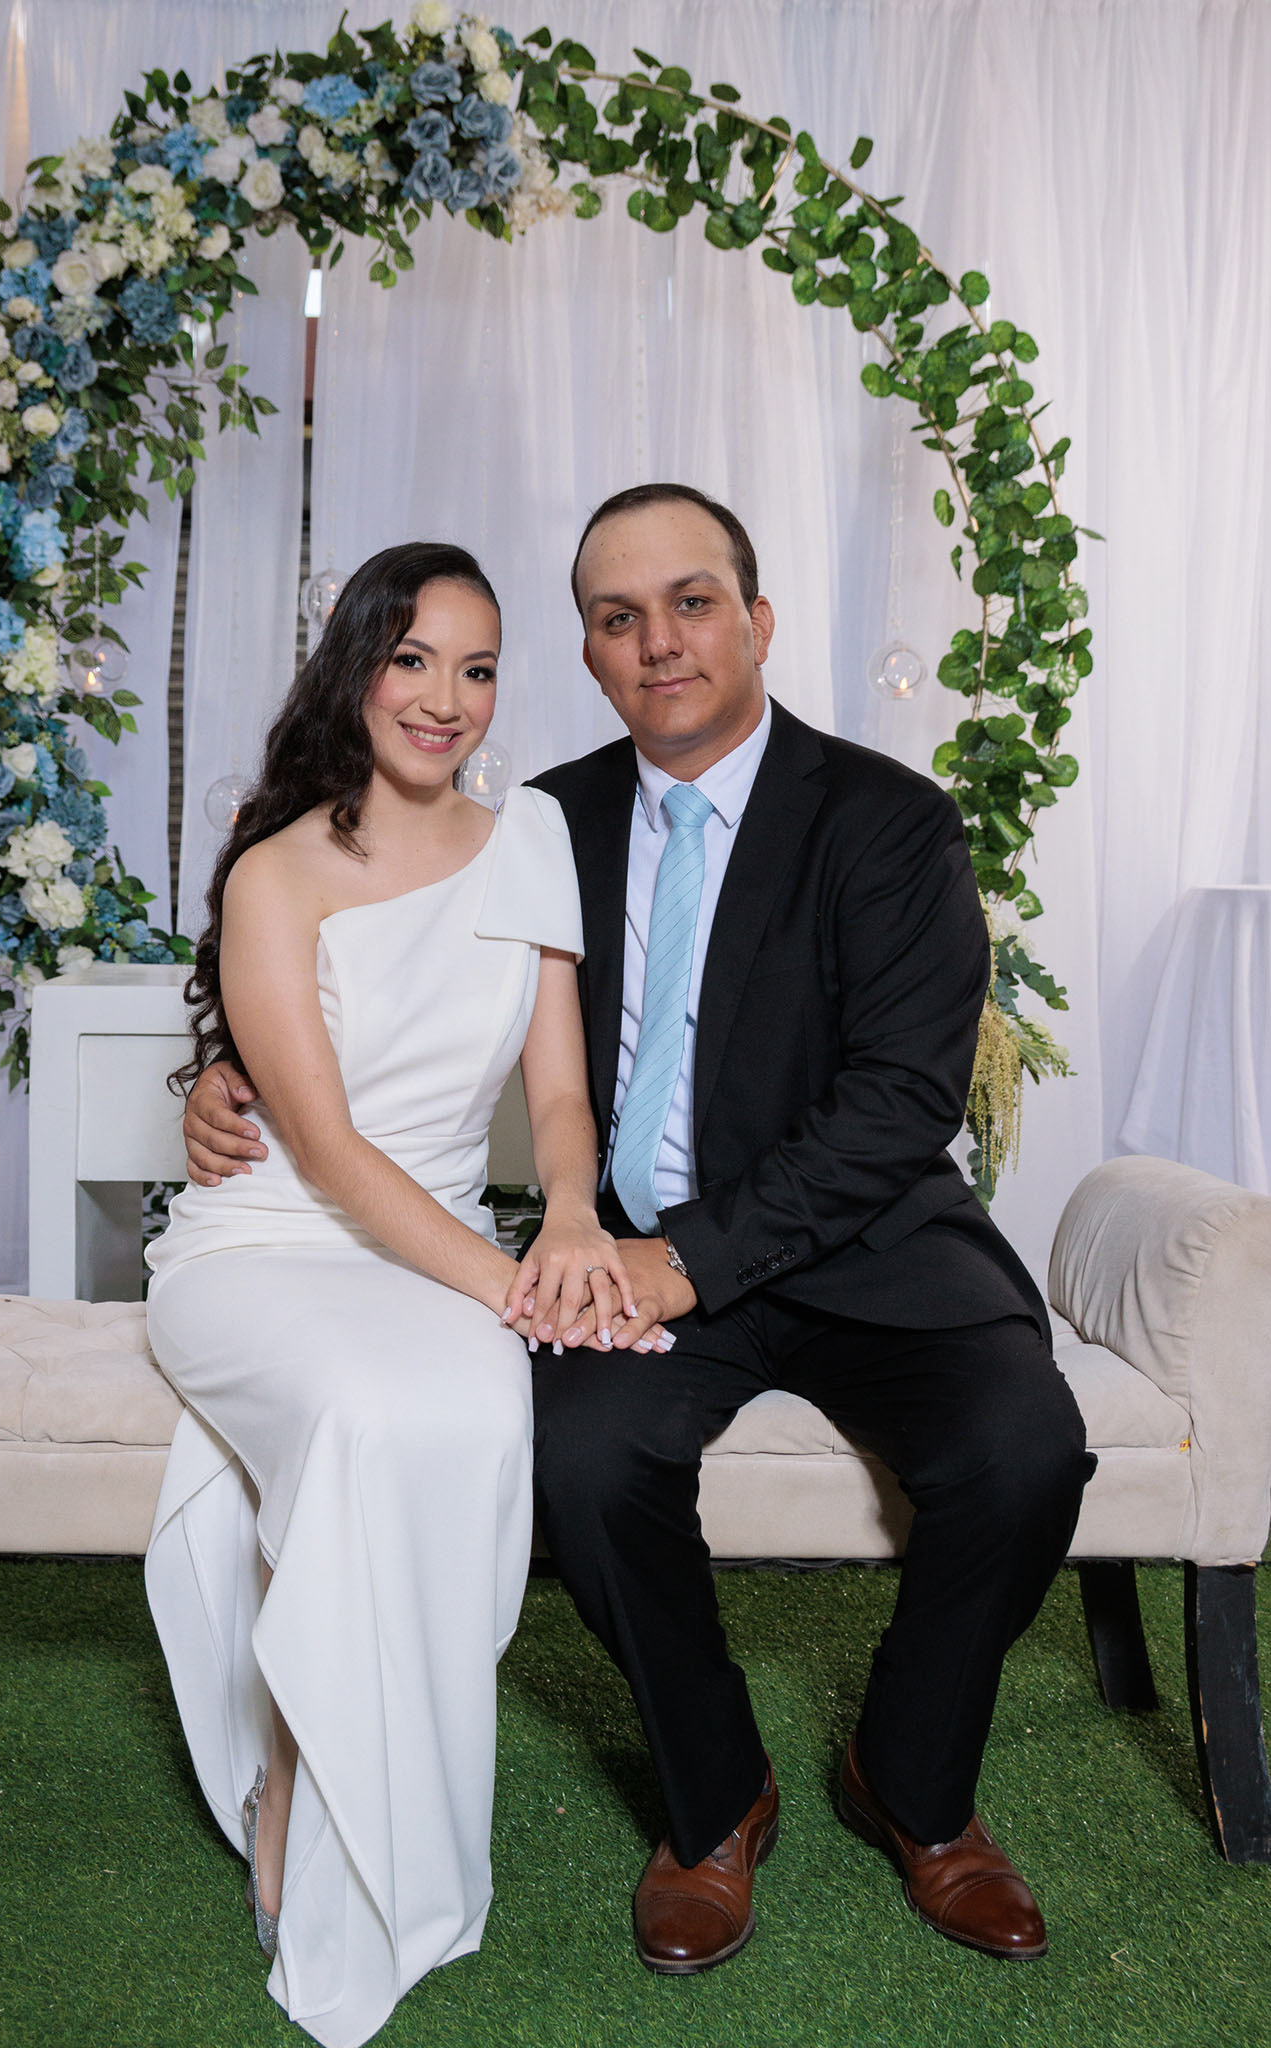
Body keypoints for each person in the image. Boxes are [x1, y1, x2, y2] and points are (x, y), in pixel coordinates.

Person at [184, 486, 1094, 1979]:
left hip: (865, 1247)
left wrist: (686, 1262)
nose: (658, 640)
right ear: (591, 656)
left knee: (1024, 1448)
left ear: (759, 621)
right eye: (619, 618)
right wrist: (234, 1080)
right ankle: (715, 1798)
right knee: (587, 1458)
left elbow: (898, 1106)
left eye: (691, 602)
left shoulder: (888, 820)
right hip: (623, 1257)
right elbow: (378, 983)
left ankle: (916, 1784)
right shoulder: (545, 821)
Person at [144, 540, 663, 2048]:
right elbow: (321, 1147)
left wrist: (572, 1223)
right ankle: (296, 1775)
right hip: (269, 1243)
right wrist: (519, 1292)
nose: (447, 699)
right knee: (369, 1412)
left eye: (478, 668)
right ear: (356, 667)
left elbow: (558, 1094)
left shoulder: (531, 838)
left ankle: (356, 1778)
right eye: (414, 658)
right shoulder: (278, 866)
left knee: (473, 1421)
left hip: (440, 1244)